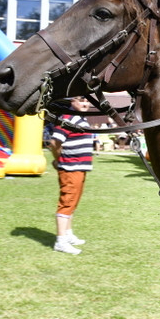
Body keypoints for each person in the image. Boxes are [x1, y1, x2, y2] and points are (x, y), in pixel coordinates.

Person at [48, 96, 94, 254]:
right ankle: (60, 242)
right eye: (81, 100)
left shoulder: (81, 118)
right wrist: (58, 160)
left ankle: (67, 234)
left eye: (87, 101)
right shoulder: (68, 118)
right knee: (67, 203)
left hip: (80, 168)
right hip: (70, 168)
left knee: (73, 202)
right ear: (71, 102)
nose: (85, 103)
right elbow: (54, 142)